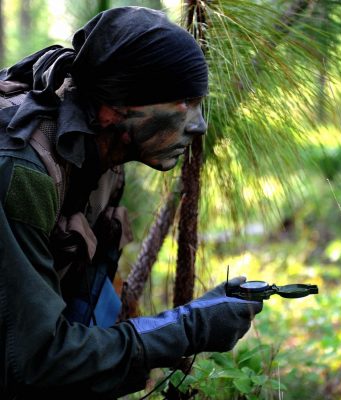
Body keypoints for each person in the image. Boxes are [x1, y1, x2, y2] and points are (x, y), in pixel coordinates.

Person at [0, 6, 263, 399]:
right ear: (113, 109)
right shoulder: (23, 170)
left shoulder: (103, 155)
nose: (200, 124)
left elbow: (82, 314)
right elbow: (34, 360)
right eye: (184, 104)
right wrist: (187, 328)